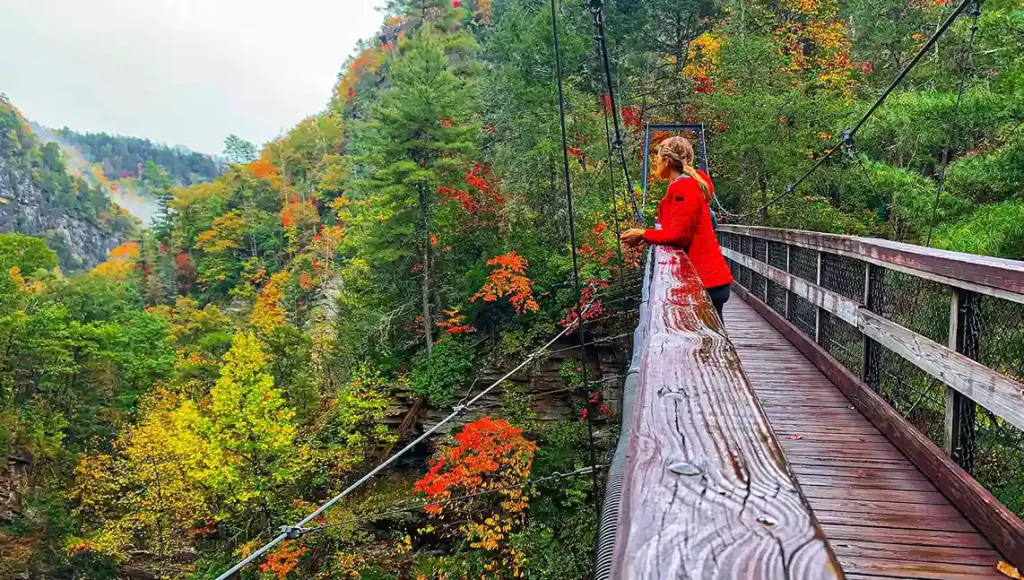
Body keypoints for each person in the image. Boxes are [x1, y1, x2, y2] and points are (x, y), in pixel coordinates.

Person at [621, 136, 733, 323]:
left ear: (666, 161)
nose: (655, 162)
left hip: (706, 282)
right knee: (709, 343)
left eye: (657, 157)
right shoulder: (685, 186)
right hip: (708, 280)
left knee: (707, 345)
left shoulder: (685, 188)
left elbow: (678, 235)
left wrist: (643, 234)